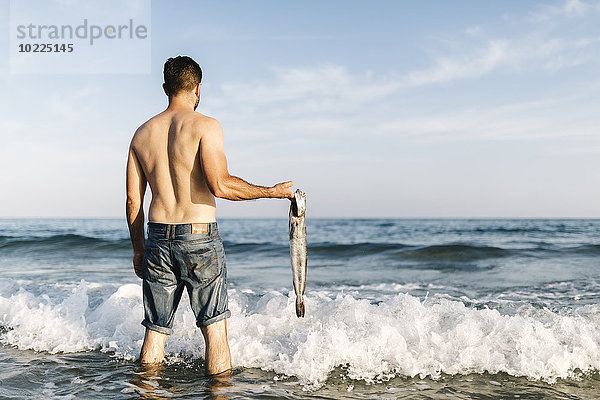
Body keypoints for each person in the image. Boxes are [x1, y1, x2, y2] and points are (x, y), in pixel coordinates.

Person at [125, 55, 294, 376]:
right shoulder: (206, 126)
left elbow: (134, 201)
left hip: (158, 237)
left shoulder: (141, 134)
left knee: (156, 330)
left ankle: (147, 391)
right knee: (214, 330)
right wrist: (271, 191)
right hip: (199, 237)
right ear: (198, 87)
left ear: (165, 88)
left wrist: (138, 248)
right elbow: (220, 185)